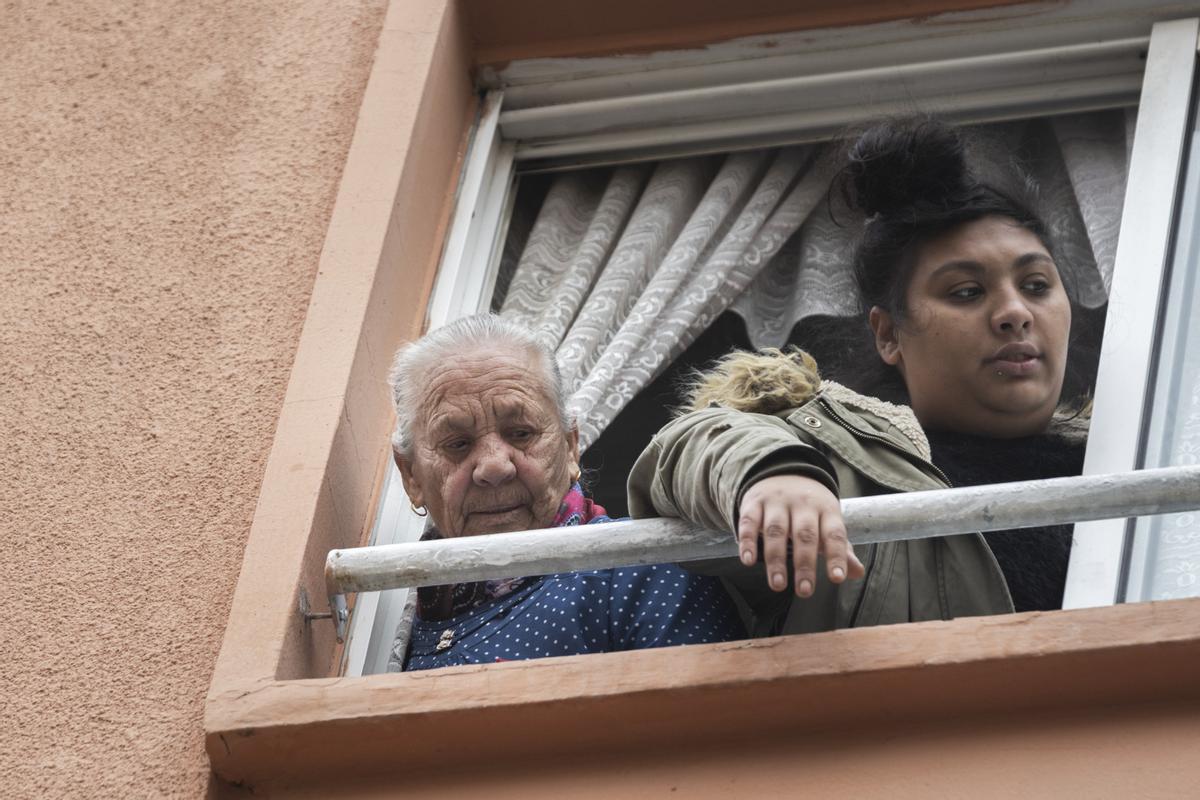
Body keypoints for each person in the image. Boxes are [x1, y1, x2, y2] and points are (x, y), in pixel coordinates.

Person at [627, 117, 1088, 637]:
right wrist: (775, 473)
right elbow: (691, 442)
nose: (1014, 313)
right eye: (966, 292)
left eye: (1035, 284)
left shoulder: (1136, 450)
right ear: (888, 334)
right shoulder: (842, 473)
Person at [386, 314, 744, 671]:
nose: (495, 467)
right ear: (411, 476)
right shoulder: (386, 618)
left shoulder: (640, 569)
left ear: (571, 447)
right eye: (458, 443)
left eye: (521, 433)